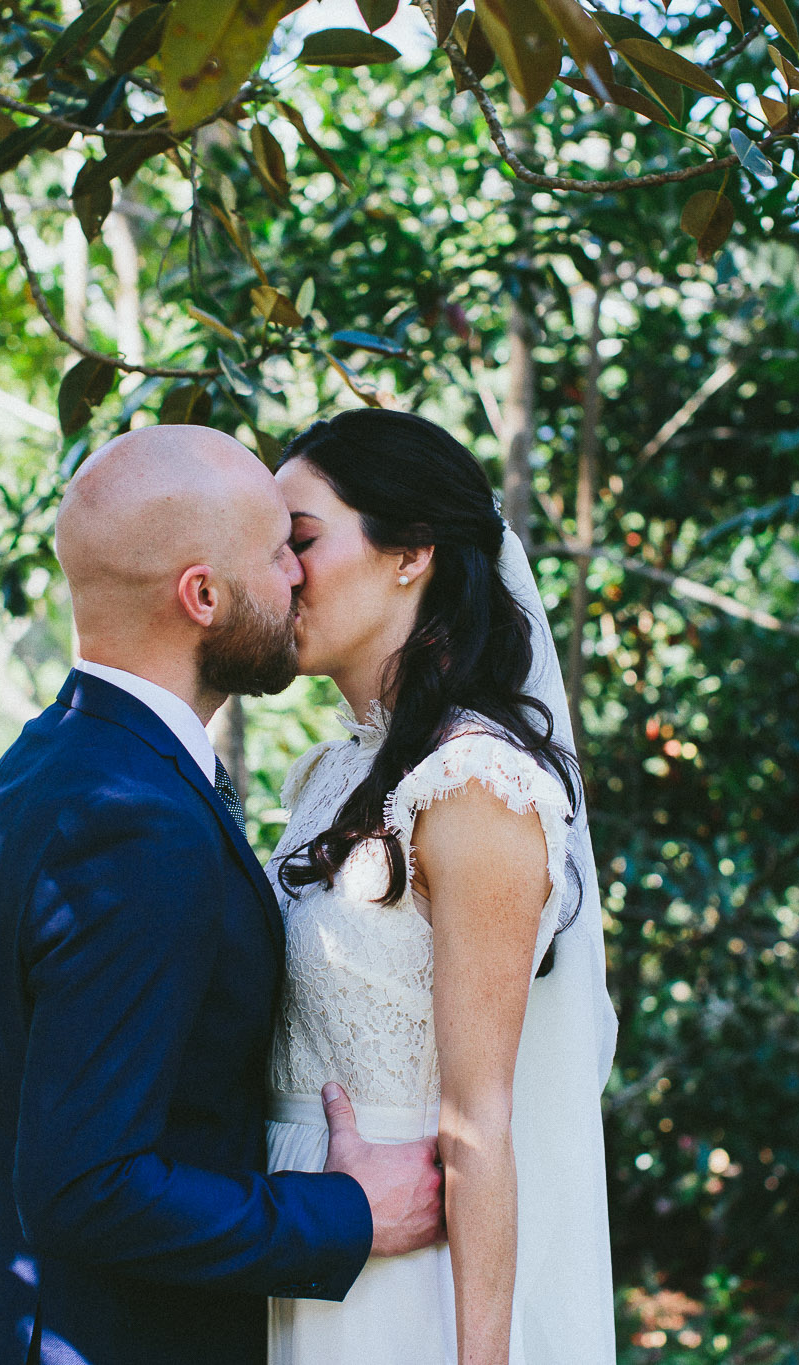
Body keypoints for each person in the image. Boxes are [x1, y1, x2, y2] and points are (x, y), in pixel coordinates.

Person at [0, 424, 446, 1365]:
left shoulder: (44, 766)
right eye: (277, 552)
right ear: (202, 595)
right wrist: (347, 1213)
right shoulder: (134, 819)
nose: (299, 576)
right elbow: (88, 1183)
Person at [264, 409, 618, 1365]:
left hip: (400, 1292)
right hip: (305, 1245)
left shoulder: (473, 786)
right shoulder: (331, 777)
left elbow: (482, 1120)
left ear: (411, 551)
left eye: (300, 539)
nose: (280, 572)